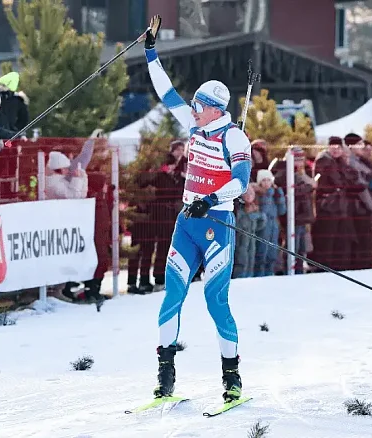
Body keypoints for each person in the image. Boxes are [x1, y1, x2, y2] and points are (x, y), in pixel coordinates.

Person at [142, 15, 252, 403]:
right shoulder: (194, 126)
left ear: (214, 109)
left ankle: (231, 378)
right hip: (187, 223)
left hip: (217, 224)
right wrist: (151, 51)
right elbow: (166, 92)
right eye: (193, 105)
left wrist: (212, 198)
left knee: (215, 302)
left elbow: (242, 181)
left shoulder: (234, 137)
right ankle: (165, 377)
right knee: (172, 295)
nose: (192, 109)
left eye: (198, 106)